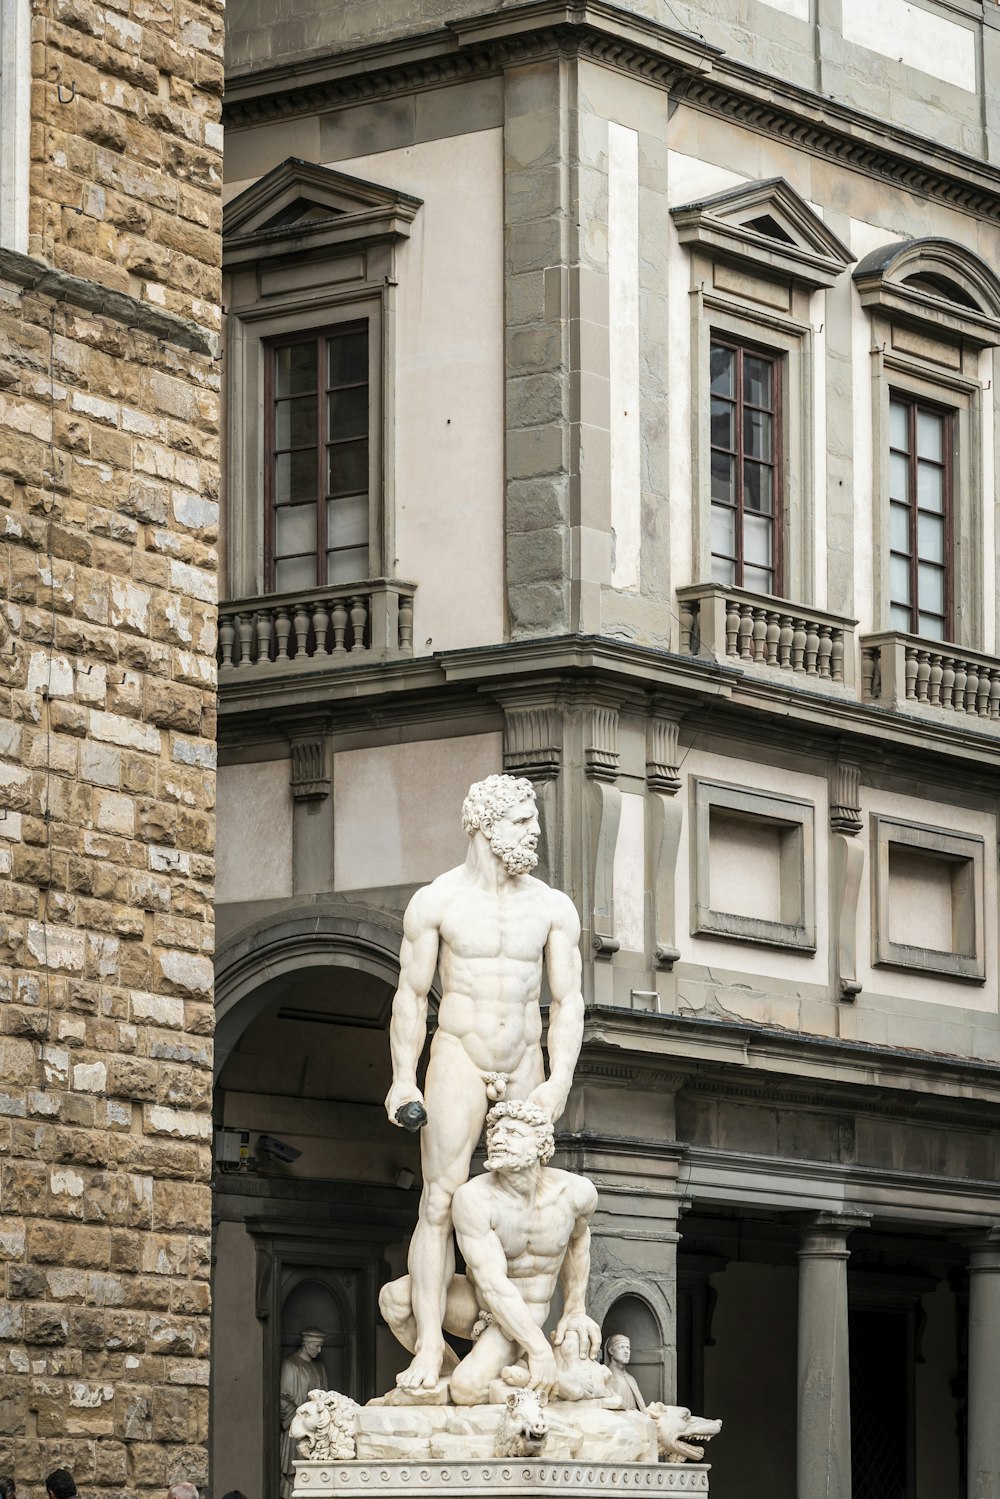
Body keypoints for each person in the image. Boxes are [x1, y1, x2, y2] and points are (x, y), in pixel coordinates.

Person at [384, 774, 584, 1390]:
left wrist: (558, 1084)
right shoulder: (438, 901)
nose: (535, 832)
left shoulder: (552, 906)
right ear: (487, 825)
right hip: (458, 1056)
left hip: (524, 1054)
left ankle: (526, 1343)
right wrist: (402, 1081)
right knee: (439, 1201)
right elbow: (411, 998)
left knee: (527, 1195)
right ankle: (425, 1349)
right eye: (523, 821)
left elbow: (569, 1000)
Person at [380, 1100, 602, 1405]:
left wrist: (575, 1309)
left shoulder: (577, 1193)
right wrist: (539, 1350)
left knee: (468, 1389)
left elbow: (579, 1240)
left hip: (528, 1308)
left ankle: (532, 1381)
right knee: (394, 1298)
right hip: (480, 1300)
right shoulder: (474, 1197)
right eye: (494, 1133)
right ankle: (444, 1374)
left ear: (541, 1143)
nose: (498, 1139)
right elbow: (491, 1283)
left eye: (512, 1133)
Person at [279, 1329, 327, 1498]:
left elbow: (325, 1397)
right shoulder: (290, 1365)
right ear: (306, 1344)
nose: (319, 1350)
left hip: (317, 1430)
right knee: (295, 1471)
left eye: (320, 1346)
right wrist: (301, 1418)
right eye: (316, 1346)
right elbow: (283, 1398)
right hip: (297, 1427)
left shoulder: (318, 1368)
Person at [604, 1333, 647, 1412]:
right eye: (622, 1347)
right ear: (611, 1351)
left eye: (628, 1348)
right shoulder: (607, 1377)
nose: (626, 1351)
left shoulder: (631, 1379)